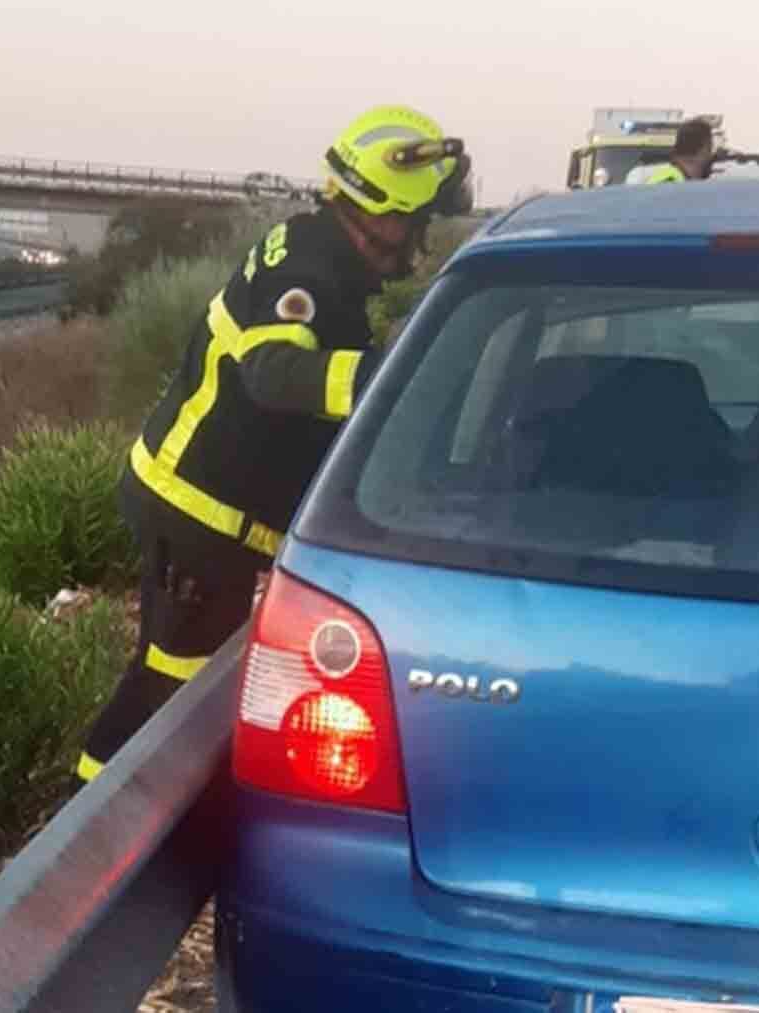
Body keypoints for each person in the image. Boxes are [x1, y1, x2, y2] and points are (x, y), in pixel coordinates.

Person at [76, 106, 472, 782]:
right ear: (382, 210)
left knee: (173, 682)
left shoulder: (320, 251)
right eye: (417, 218)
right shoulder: (311, 272)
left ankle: (92, 834)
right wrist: (399, 379)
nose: (419, 234)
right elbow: (274, 372)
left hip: (201, 507)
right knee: (169, 693)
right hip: (198, 512)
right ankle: (83, 839)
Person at [640, 117, 718, 184]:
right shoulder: (668, 183)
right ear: (703, 151)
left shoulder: (677, 179)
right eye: (710, 149)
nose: (711, 156)